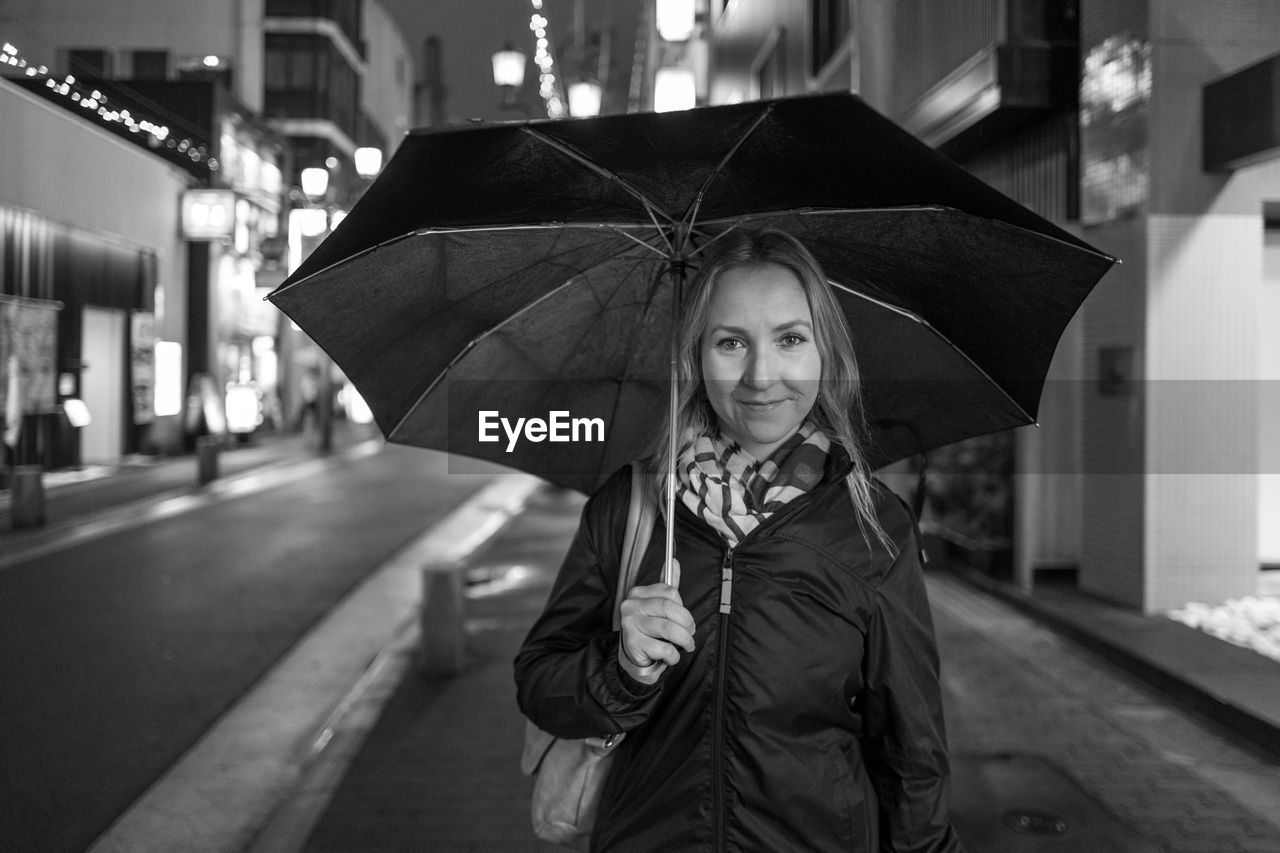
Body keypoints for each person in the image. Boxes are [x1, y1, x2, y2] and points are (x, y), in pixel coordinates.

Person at [514, 230, 965, 852]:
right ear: (695, 356)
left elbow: (912, 755)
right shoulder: (632, 507)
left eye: (790, 339)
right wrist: (621, 671)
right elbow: (539, 684)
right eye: (731, 342)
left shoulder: (873, 527)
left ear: (824, 352)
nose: (761, 375)